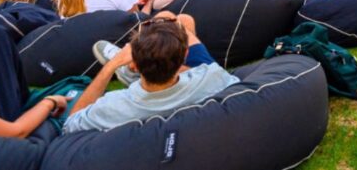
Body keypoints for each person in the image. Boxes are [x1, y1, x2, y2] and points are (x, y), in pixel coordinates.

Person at [64, 13, 239, 133]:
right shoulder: (212, 77)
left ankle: (125, 72)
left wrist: (112, 65)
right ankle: (137, 71)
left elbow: (71, 124)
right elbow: (235, 85)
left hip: (144, 93)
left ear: (135, 64)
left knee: (172, 18)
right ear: (185, 55)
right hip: (190, 87)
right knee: (179, 19)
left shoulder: (113, 105)